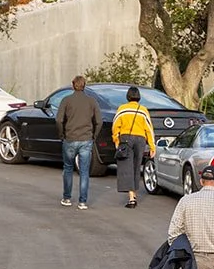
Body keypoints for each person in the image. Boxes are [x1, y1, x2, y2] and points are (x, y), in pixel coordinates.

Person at [55, 76, 102, 209]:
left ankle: (67, 197)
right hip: (86, 139)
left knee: (68, 168)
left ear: (73, 85)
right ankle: (82, 201)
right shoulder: (91, 101)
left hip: (70, 138)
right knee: (84, 171)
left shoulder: (66, 100)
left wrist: (61, 134)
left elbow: (59, 120)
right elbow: (99, 121)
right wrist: (94, 136)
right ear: (84, 85)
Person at [111, 85, 155, 207]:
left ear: (128, 96)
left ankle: (131, 198)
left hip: (126, 139)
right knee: (136, 167)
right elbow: (149, 129)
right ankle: (134, 193)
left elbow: (115, 126)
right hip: (140, 140)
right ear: (139, 97)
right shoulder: (143, 110)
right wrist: (152, 146)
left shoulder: (122, 109)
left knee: (126, 167)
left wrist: (116, 140)